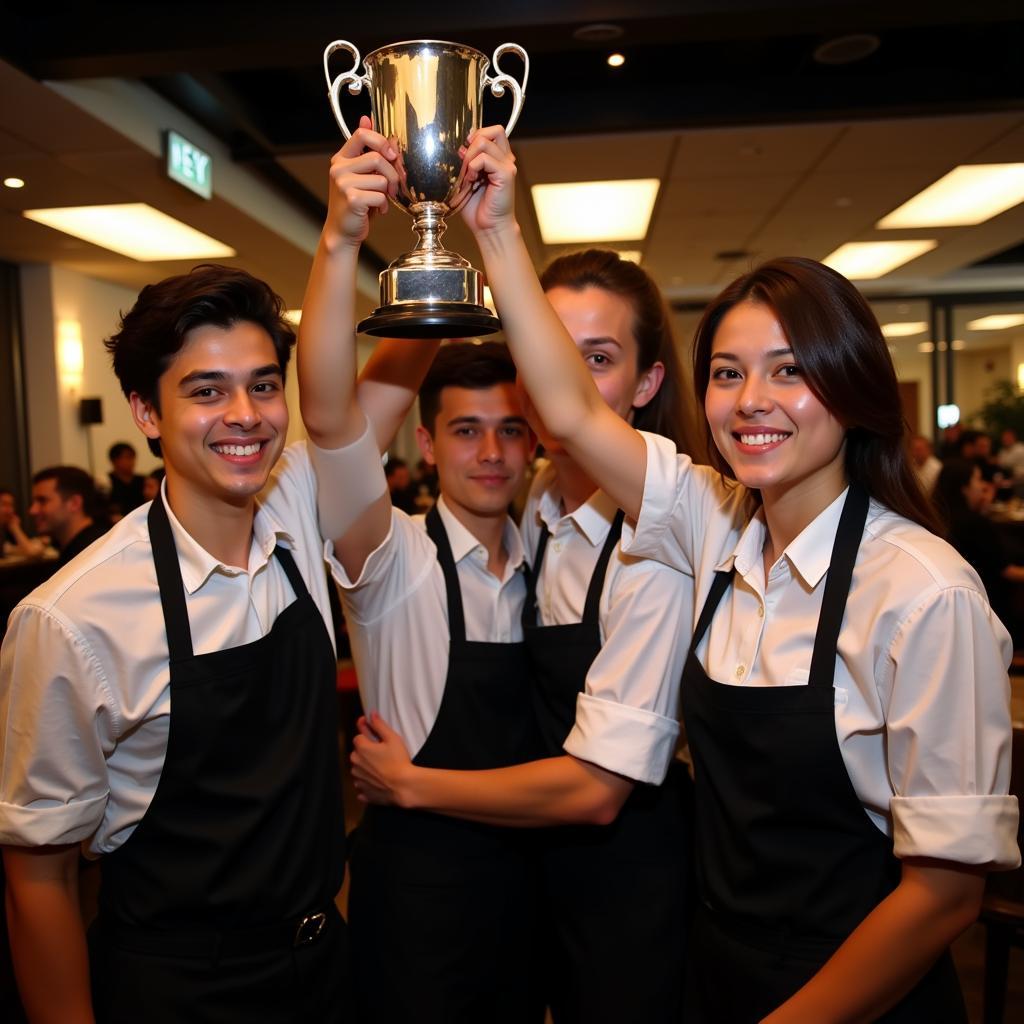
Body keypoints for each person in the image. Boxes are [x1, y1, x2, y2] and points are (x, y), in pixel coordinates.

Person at [454, 124, 1019, 1023]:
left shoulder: (924, 592)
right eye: (727, 373)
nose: (752, 400)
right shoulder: (713, 524)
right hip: (714, 968)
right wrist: (495, 231)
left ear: (853, 387)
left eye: (790, 372)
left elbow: (944, 895)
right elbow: (565, 407)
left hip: (858, 992)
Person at [0, 264, 409, 1023]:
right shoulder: (69, 618)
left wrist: (374, 230)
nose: (245, 415)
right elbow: (37, 876)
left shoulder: (296, 511)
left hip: (324, 965)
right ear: (145, 412)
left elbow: (385, 384)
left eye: (262, 385)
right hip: (179, 988)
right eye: (206, 391)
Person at [352, 248, 697, 1023]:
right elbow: (339, 450)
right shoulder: (538, 508)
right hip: (522, 882)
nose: (563, 382)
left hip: (628, 886)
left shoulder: (658, 548)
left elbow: (598, 790)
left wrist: (411, 784)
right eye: (550, 350)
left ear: (646, 384)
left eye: (598, 359)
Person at [296, 117, 542, 1024]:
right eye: (465, 430)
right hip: (416, 898)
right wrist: (347, 239)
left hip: (532, 882)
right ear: (426, 444)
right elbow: (330, 425)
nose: (489, 452)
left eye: (510, 429)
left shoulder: (556, 564)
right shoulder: (389, 553)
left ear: (534, 445)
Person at [935, 458, 1024, 643]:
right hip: (993, 609)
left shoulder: (938, 517)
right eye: (977, 479)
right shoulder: (974, 524)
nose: (983, 486)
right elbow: (1007, 571)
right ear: (964, 487)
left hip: (961, 609)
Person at [28, 466, 108, 567]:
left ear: (74, 503)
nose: (33, 510)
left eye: (42, 501)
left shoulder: (90, 554)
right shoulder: (77, 548)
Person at [0, 488, 45, 559]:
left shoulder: (7, 529)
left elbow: (35, 551)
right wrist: (15, 528)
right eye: (4, 504)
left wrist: (15, 528)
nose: (10, 510)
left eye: (11, 505)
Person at [105, 442, 146, 516]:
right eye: (126, 457)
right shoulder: (106, 482)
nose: (130, 462)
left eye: (132, 457)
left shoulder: (142, 481)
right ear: (114, 460)